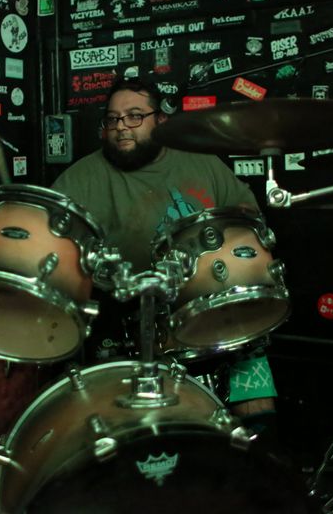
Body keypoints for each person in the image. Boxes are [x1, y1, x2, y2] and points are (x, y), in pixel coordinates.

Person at [51, 76, 278, 428]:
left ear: (160, 120)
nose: (121, 127)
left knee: (254, 398)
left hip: (210, 307)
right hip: (130, 320)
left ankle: (255, 444)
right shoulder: (81, 179)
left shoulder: (200, 161)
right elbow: (54, 247)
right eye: (113, 119)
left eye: (134, 116)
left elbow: (246, 217)